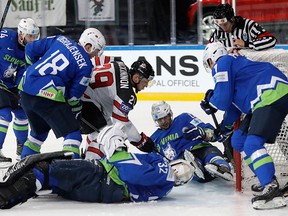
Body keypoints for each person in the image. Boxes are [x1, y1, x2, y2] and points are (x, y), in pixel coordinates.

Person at [0, 122, 195, 209]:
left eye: (183, 172)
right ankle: (13, 191)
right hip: (101, 189)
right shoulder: (164, 186)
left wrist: (117, 148)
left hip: (101, 176)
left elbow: (130, 172)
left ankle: (4, 195)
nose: (179, 172)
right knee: (52, 180)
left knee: (46, 169)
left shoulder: (166, 174)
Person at [201, 41, 288, 210]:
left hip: (270, 92)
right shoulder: (232, 69)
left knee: (252, 144)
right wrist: (223, 129)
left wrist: (210, 100)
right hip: (265, 96)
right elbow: (232, 110)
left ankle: (271, 185)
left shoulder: (223, 62)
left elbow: (222, 100)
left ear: (211, 59)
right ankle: (266, 179)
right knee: (238, 141)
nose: (211, 68)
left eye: (209, 63)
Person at [18, 28, 106, 159]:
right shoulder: (86, 66)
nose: (95, 55)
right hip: (47, 96)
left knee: (38, 133)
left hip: (25, 90)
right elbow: (74, 96)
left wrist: (33, 70)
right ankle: (72, 173)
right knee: (73, 135)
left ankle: (22, 166)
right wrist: (75, 112)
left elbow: (30, 48)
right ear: (89, 46)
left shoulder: (61, 39)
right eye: (96, 51)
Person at [81, 59, 156, 159]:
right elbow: (120, 122)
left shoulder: (120, 64)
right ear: (136, 78)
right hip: (84, 101)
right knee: (107, 135)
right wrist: (140, 141)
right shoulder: (127, 95)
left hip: (80, 93)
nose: (146, 86)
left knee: (102, 127)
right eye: (146, 82)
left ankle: (86, 155)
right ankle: (89, 164)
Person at [150, 101, 233, 182]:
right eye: (160, 119)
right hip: (182, 160)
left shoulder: (184, 118)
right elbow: (155, 163)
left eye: (165, 117)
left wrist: (200, 132)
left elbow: (213, 134)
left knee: (211, 154)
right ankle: (196, 167)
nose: (164, 121)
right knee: (184, 167)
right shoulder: (154, 139)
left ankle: (222, 168)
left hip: (201, 147)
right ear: (156, 120)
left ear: (170, 114)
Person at [0, 18, 40, 162]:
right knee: (4, 114)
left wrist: (20, 87)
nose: (33, 39)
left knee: (22, 114)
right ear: (21, 34)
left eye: (35, 37)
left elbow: (24, 71)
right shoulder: (4, 37)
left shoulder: (30, 51)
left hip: (9, 84)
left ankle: (21, 149)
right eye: (30, 36)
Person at [209, 3, 277, 52]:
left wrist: (246, 44)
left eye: (225, 24)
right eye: (220, 25)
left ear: (232, 19)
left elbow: (271, 40)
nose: (223, 28)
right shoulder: (218, 31)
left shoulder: (248, 25)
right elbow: (209, 49)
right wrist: (225, 53)